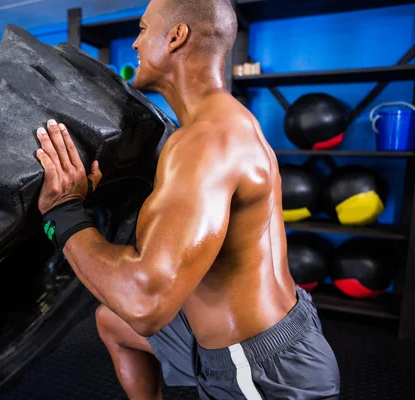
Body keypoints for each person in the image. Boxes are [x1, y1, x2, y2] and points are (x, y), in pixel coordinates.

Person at [32, 0, 340, 398]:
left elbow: (146, 303)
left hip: (260, 373)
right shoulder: (215, 123)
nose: (137, 46)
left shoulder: (206, 142)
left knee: (131, 310)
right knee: (112, 322)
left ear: (176, 37)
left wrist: (62, 213)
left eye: (143, 30)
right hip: (248, 333)